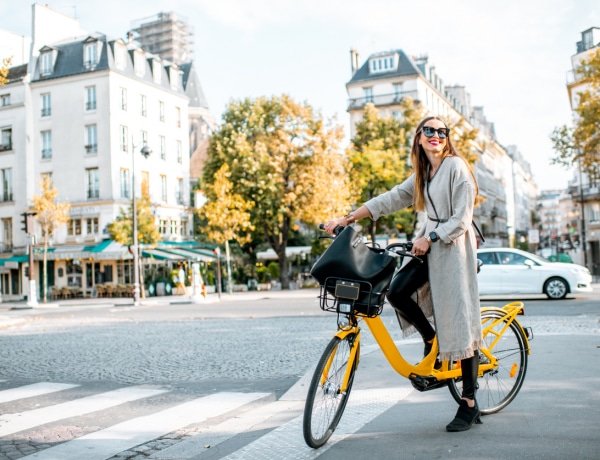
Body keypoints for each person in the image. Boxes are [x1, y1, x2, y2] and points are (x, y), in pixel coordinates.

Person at [324, 116, 484, 432]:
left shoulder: (456, 168)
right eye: (429, 130)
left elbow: (463, 218)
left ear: (446, 138)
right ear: (418, 138)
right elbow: (392, 198)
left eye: (442, 131)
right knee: (396, 292)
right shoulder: (423, 174)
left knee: (458, 321)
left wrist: (432, 237)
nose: (436, 135)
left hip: (452, 248)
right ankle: (430, 337)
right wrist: (347, 219)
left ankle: (469, 402)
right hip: (428, 246)